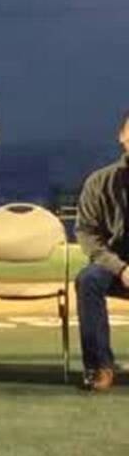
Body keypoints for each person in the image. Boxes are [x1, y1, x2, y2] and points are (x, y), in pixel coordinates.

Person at [73, 111, 129, 392]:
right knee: (88, 280)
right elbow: (87, 233)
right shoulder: (100, 182)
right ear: (122, 136)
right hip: (113, 265)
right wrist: (120, 268)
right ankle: (100, 367)